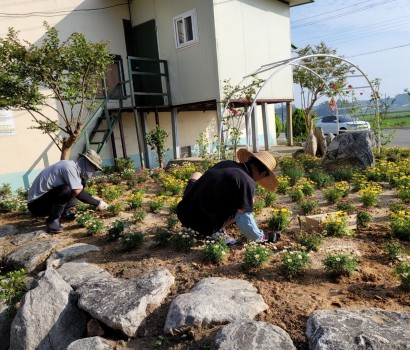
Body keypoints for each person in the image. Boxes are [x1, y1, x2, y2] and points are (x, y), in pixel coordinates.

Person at [177, 148, 279, 243]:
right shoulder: (247, 181)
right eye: (266, 176)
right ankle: (215, 231)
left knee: (197, 174)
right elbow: (245, 219)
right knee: (246, 204)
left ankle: (198, 219)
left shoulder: (226, 163)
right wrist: (262, 237)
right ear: (264, 173)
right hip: (203, 225)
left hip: (184, 213)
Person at [27, 149, 109, 234]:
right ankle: (52, 220)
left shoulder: (74, 169)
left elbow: (79, 189)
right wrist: (98, 203)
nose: (94, 171)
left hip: (44, 201)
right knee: (67, 190)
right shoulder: (69, 167)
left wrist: (92, 197)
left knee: (79, 184)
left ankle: (65, 212)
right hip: (36, 206)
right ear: (86, 163)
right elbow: (78, 193)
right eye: (94, 167)